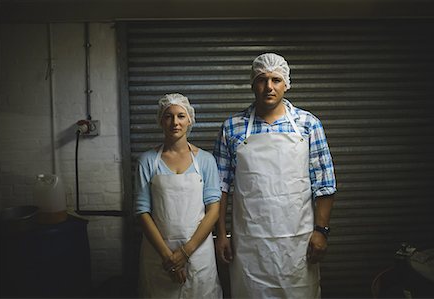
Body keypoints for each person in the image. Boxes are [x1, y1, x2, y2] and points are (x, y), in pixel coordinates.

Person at [213, 53, 337, 298]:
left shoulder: (308, 124)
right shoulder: (232, 127)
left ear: (286, 84)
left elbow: (324, 183)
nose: (269, 86)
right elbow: (220, 187)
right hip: (249, 244)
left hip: (296, 243)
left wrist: (321, 231)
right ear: (252, 84)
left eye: (276, 80)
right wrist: (221, 235)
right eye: (262, 79)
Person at [134, 93, 223, 298]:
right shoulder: (147, 161)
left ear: (190, 119)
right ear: (160, 121)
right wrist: (169, 258)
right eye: (168, 116)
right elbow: (142, 211)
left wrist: (185, 253)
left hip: (198, 254)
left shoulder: (206, 161)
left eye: (181, 116)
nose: (175, 122)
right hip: (159, 255)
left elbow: (214, 210)